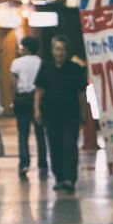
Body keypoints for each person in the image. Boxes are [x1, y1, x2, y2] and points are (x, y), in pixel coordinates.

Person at [34, 35, 88, 192]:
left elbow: (81, 94)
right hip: (50, 115)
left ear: (67, 51)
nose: (60, 53)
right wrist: (37, 110)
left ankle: (70, 179)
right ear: (52, 50)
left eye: (63, 49)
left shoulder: (75, 69)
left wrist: (83, 114)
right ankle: (59, 178)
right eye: (57, 49)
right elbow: (38, 90)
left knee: (70, 146)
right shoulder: (45, 67)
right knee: (55, 146)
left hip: (71, 115)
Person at [9, 36, 47, 180]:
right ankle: (43, 164)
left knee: (23, 135)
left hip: (22, 100)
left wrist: (12, 101)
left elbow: (14, 84)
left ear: (25, 47)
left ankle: (24, 164)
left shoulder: (16, 63)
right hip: (38, 100)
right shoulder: (41, 63)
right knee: (40, 134)